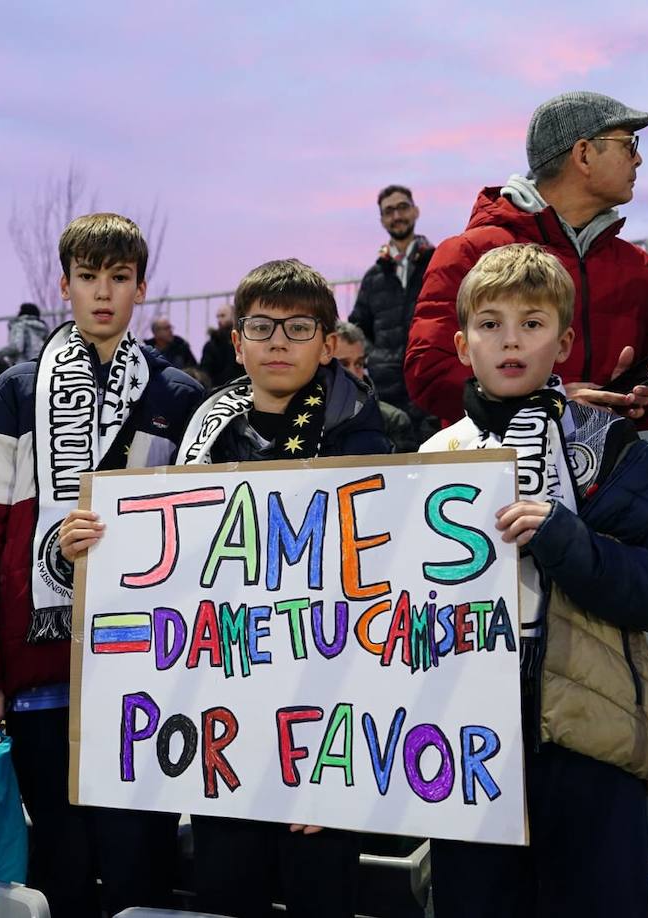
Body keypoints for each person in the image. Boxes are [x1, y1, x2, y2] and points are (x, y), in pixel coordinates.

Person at [418, 243, 648, 917]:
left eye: (532, 321)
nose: (510, 339)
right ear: (462, 345)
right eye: (489, 324)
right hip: (467, 752)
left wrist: (567, 540)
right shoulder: (427, 461)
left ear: (565, 340)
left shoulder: (617, 450)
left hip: (592, 741)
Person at [0, 213, 203, 918]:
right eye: (89, 277)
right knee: (59, 857)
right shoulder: (11, 392)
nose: (104, 293)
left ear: (142, 287)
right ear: (65, 284)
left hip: (143, 672)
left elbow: (207, 539)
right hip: (37, 677)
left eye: (119, 278)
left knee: (137, 857)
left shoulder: (178, 397)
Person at [169, 259, 390, 916]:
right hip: (227, 732)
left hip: (325, 740)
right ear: (236, 342)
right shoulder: (204, 437)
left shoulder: (375, 440)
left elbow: (385, 610)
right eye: (261, 326)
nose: (277, 341)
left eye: (298, 327)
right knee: (225, 893)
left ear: (328, 343)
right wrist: (99, 546)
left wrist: (333, 765)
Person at [406, 91, 648, 429]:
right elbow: (428, 370)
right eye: (629, 144)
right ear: (583, 154)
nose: (638, 159)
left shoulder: (638, 267)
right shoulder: (467, 253)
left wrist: (641, 396)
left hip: (606, 472)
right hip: (504, 473)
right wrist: (549, 404)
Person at [349, 184, 437, 442]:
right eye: (389, 211)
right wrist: (377, 358)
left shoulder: (438, 263)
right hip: (388, 390)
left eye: (402, 207)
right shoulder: (373, 277)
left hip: (430, 384)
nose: (396, 216)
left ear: (415, 211)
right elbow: (356, 329)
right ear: (382, 219)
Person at [335, 320, 415, 452]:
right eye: (343, 364)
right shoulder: (305, 416)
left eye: (359, 364)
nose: (354, 373)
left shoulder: (394, 420)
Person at [199, 302, 239, 386]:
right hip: (219, 390)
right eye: (218, 316)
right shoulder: (212, 345)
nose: (219, 320)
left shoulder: (242, 340)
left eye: (223, 316)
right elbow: (205, 372)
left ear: (234, 316)